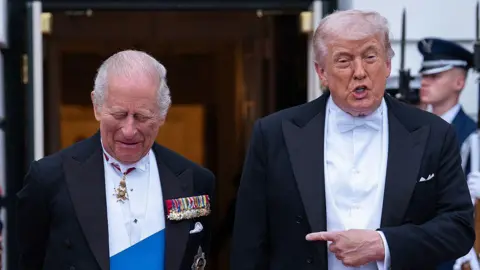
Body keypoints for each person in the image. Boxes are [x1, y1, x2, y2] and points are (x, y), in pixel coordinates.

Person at [231, 9, 475, 269]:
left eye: (370, 57)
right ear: (321, 72)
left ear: (388, 64)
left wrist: (384, 244)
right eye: (344, 61)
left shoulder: (434, 134)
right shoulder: (273, 134)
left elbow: (458, 228)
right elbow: (249, 242)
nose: (360, 72)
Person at [16, 50, 215, 270]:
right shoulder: (49, 178)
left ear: (162, 113)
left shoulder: (196, 181)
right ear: (97, 106)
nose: (129, 130)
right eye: (119, 114)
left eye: (142, 116)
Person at [417, 38, 480, 270]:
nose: (424, 82)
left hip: (449, 256)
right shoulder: (414, 129)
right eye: (424, 76)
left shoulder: (472, 136)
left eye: (434, 77)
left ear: (459, 82)